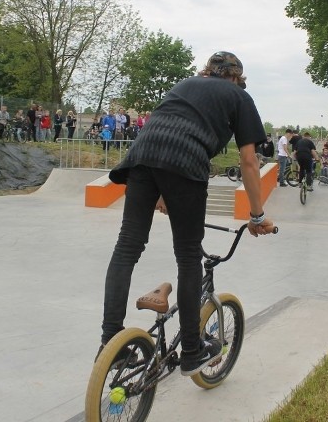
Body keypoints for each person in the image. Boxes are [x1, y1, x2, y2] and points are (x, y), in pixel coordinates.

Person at [98, 51, 275, 376]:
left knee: (127, 248)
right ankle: (192, 350)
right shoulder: (238, 96)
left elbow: (168, 130)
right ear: (236, 77)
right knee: (188, 256)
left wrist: (162, 191)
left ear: (208, 71)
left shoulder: (185, 85)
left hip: (141, 158)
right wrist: (257, 215)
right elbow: (250, 162)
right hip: (184, 164)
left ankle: (110, 343)